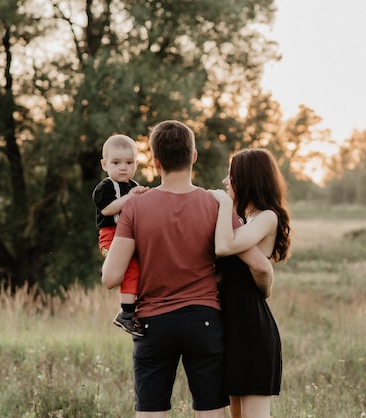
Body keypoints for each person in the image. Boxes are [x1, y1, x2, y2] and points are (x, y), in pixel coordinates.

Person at [101, 120, 273, 418]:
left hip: (152, 323)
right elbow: (258, 264)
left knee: (151, 411)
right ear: (193, 156)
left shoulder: (134, 207)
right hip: (204, 321)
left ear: (155, 162)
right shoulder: (215, 204)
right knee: (210, 411)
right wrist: (264, 288)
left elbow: (111, 278)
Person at [209, 148, 292, 418]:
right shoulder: (242, 219)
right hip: (228, 325)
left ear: (246, 179)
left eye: (230, 176)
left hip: (251, 327)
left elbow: (225, 246)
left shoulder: (267, 217)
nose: (224, 181)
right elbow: (259, 269)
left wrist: (222, 203)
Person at [92, 134, 148, 336]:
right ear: (104, 164)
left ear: (136, 164)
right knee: (130, 268)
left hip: (131, 235)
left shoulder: (133, 186)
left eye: (129, 162)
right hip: (111, 236)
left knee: (144, 264)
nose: (123, 167)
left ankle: (139, 304)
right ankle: (125, 314)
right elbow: (107, 209)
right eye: (116, 163)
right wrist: (130, 199)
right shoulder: (105, 187)